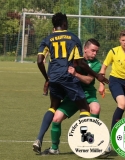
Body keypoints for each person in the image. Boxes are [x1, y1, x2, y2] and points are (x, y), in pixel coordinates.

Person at [34, 13, 108, 153]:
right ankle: (81, 144)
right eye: (92, 50)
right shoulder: (73, 38)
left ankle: (39, 138)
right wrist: (98, 76)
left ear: (53, 25)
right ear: (65, 24)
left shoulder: (47, 39)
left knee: (53, 107)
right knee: (84, 109)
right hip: (68, 81)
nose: (94, 53)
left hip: (54, 77)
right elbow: (80, 62)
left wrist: (47, 78)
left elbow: (39, 61)